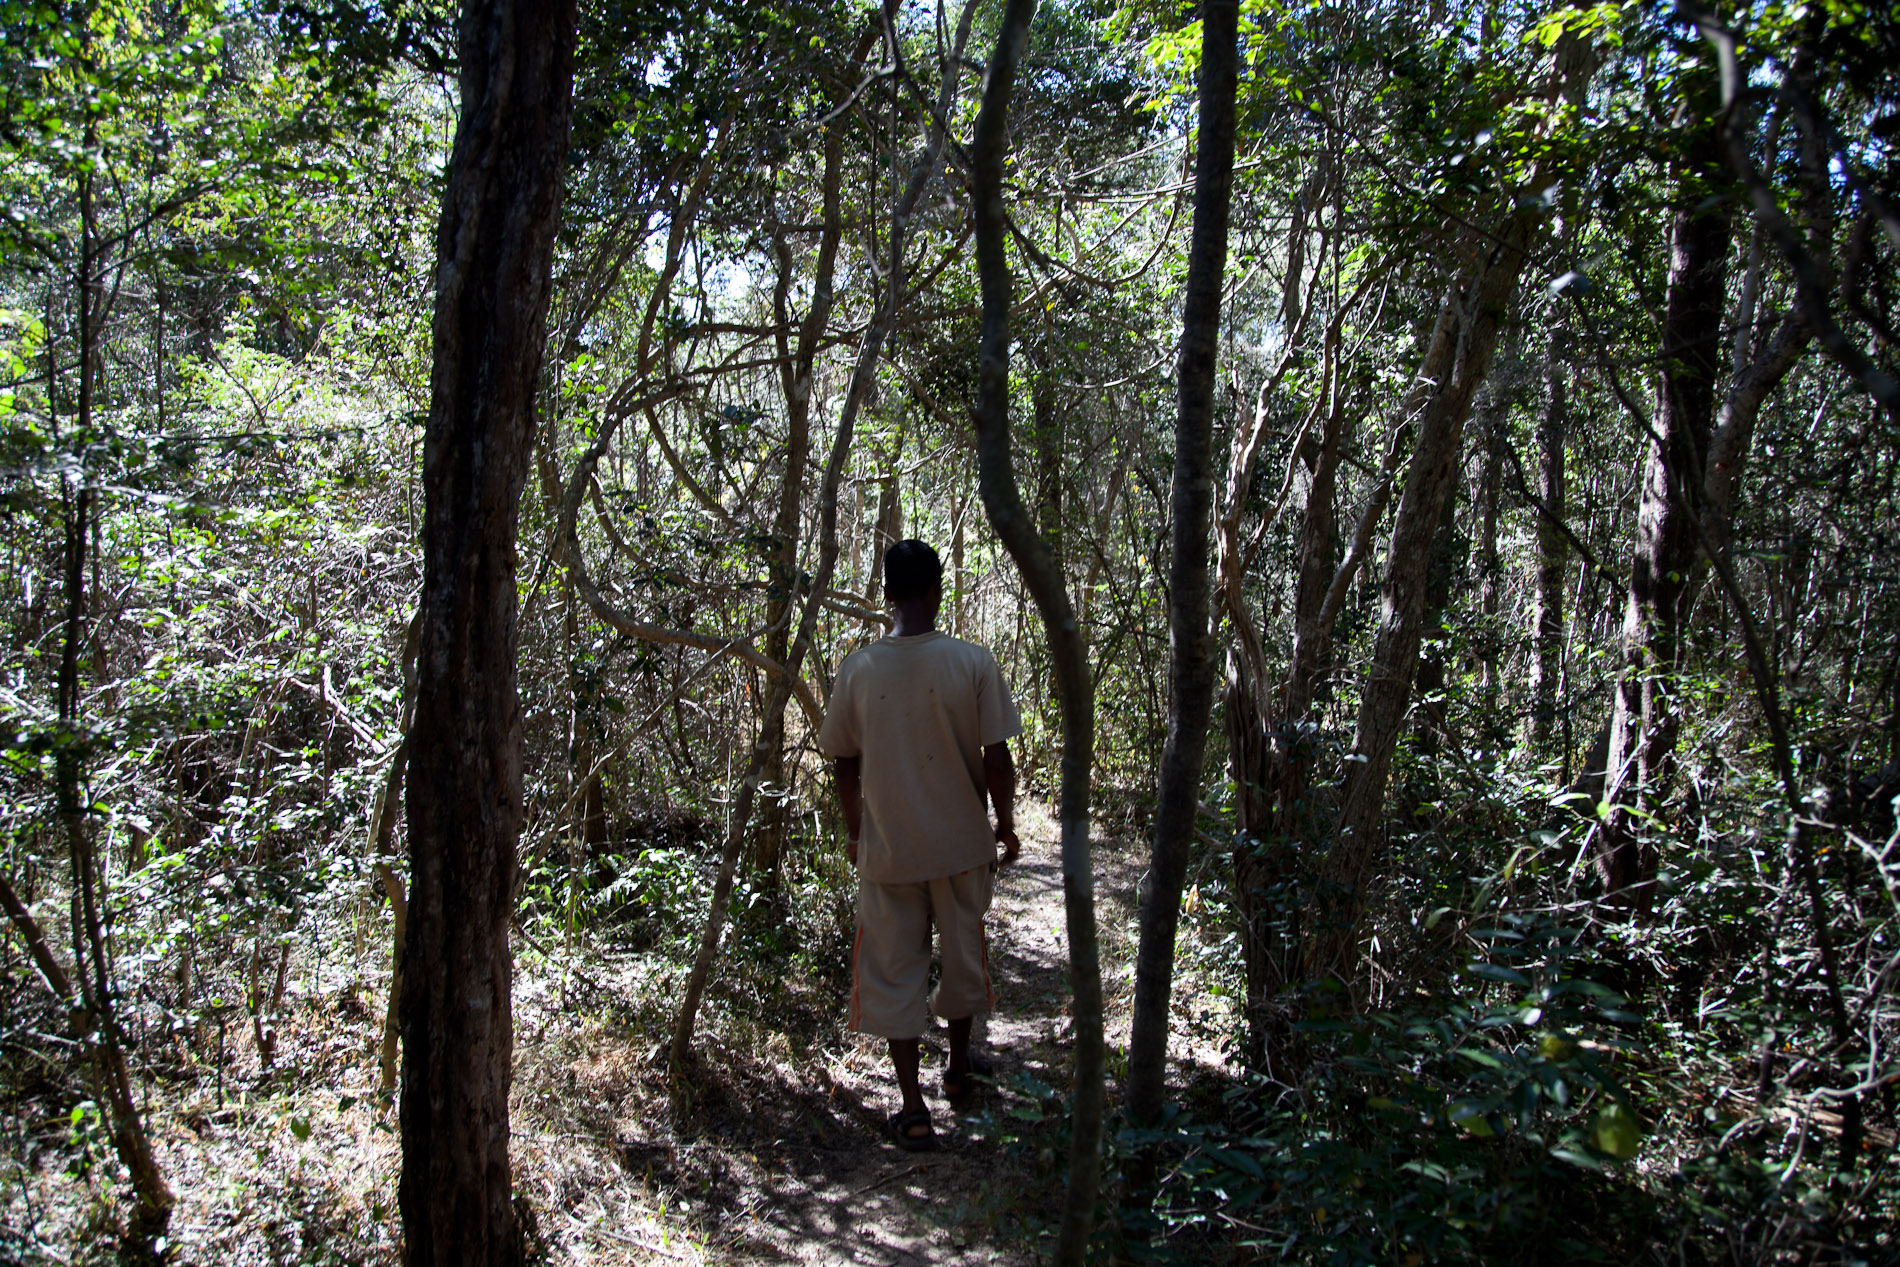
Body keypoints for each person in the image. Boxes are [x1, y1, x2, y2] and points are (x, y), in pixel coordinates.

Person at [816, 539, 1021, 1151]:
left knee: (893, 972)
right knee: (962, 961)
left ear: (887, 595)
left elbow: (843, 766)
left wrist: (857, 833)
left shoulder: (859, 670)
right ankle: (956, 1070)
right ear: (936, 590)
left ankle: (912, 1109)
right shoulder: (971, 662)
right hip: (960, 846)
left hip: (889, 852)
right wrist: (1004, 824)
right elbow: (997, 756)